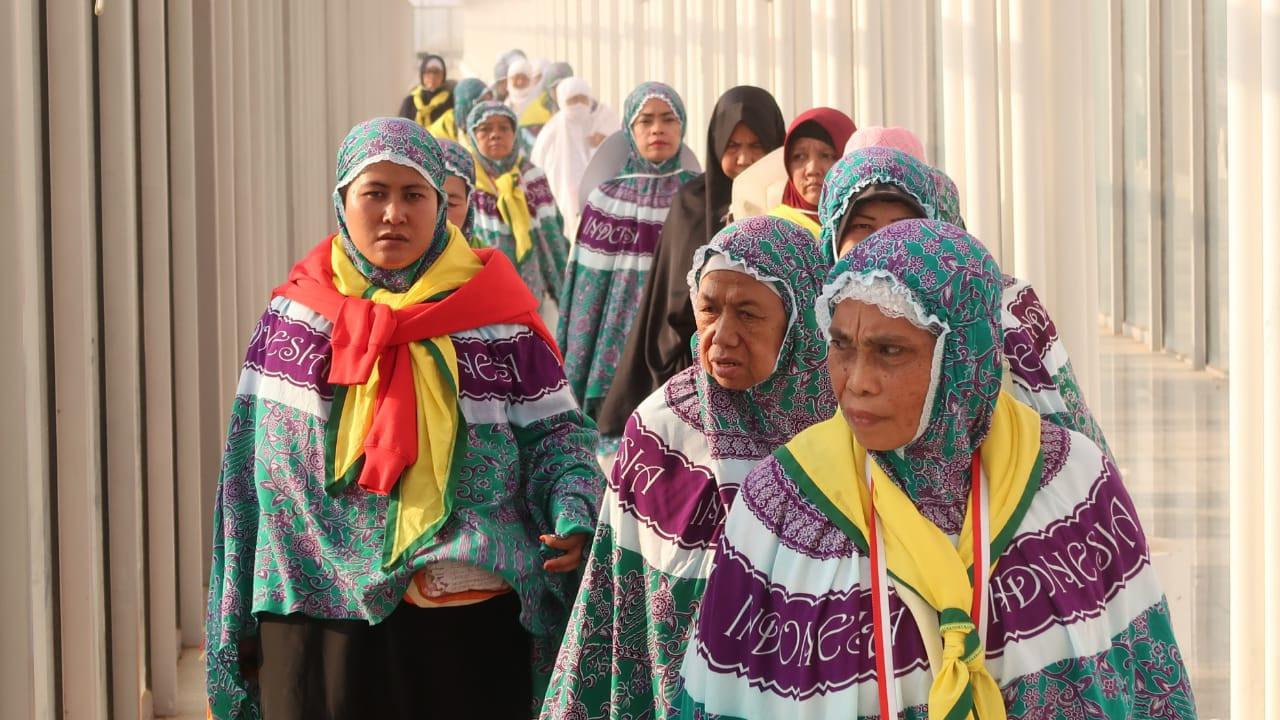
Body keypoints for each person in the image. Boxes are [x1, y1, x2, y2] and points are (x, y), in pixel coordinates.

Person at [677, 219, 1196, 719]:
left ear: (965, 356)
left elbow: (1148, 680)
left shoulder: (1073, 485)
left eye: (889, 351)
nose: (857, 381)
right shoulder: (781, 509)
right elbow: (723, 694)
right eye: (841, 345)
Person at [204, 117, 604, 719]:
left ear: (442, 206)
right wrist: (232, 623)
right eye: (375, 193)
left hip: (464, 617)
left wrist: (572, 509)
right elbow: (243, 474)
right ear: (342, 202)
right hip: (315, 617)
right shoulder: (294, 321)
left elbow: (558, 439)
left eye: (414, 194)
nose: (394, 213)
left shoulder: (498, 322)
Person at [542, 217, 837, 719]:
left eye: (748, 314)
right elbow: (615, 599)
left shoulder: (844, 434)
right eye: (709, 309)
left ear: (800, 322)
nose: (723, 335)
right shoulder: (659, 432)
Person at [821, 147, 1111, 453]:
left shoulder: (995, 310)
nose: (883, 240)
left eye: (902, 225)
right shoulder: (809, 319)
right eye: (862, 226)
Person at [596, 86, 786, 437]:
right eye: (732, 146)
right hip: (699, 368)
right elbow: (670, 310)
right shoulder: (692, 204)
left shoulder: (787, 207)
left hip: (775, 373)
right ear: (716, 146)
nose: (744, 159)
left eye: (757, 146)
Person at [557, 82, 698, 422]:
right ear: (629, 130)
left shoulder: (700, 195)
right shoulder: (605, 199)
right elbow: (585, 294)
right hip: (613, 348)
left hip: (679, 342)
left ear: (682, 125)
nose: (657, 129)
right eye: (645, 121)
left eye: (668, 119)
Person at [466, 101, 569, 315]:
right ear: (473, 136)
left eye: (504, 128)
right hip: (482, 293)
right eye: (485, 129)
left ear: (515, 134)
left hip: (533, 290)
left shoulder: (533, 177)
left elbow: (553, 234)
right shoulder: (466, 182)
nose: (495, 135)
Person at [530, 76, 622, 237]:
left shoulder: (602, 122)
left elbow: (621, 154)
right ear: (562, 102)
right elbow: (536, 166)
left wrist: (604, 141)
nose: (579, 105)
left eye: (582, 99)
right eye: (573, 100)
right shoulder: (550, 132)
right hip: (561, 198)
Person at [767, 107, 856, 239]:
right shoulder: (774, 230)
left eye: (826, 155)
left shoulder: (869, 225)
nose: (812, 170)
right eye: (799, 156)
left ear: (850, 161)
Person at [427, 77, 487, 147]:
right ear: (467, 106)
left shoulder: (491, 120)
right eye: (482, 103)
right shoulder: (442, 131)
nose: (489, 107)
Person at [398, 54, 455, 128]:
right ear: (422, 75)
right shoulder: (410, 101)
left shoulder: (450, 100)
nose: (432, 76)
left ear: (443, 75)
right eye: (428, 72)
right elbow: (400, 128)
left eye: (436, 72)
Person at [438, 138, 476, 239]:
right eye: (417, 197)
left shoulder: (483, 250)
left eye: (451, 204)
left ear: (468, 205)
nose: (440, 216)